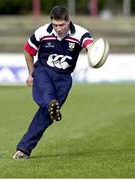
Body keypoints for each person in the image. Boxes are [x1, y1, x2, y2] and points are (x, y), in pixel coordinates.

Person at [13, 5, 94, 159]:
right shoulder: (42, 32)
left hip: (64, 79)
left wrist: (94, 52)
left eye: (61, 25)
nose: (58, 29)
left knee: (46, 116)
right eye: (55, 25)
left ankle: (23, 149)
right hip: (43, 71)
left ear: (68, 21)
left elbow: (90, 46)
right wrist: (31, 74)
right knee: (48, 96)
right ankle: (51, 103)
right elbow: (28, 50)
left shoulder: (81, 33)